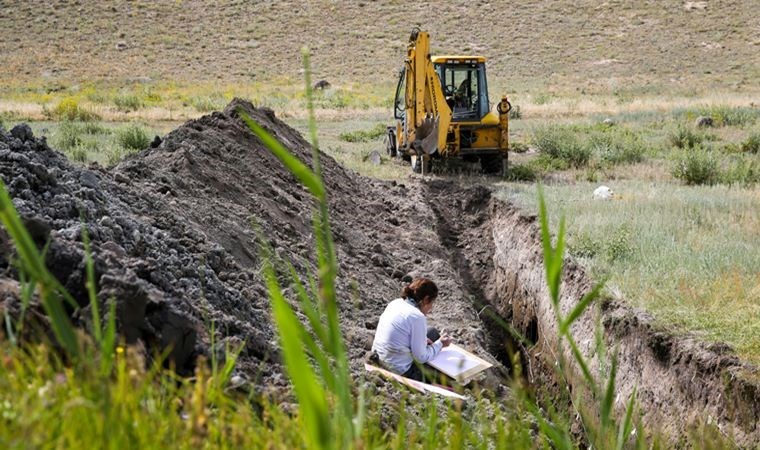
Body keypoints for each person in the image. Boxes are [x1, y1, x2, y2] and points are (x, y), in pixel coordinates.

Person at [371, 278, 452, 382]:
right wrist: (440, 344)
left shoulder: (396, 303)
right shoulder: (416, 316)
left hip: (379, 358)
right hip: (399, 370)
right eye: (431, 303)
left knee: (431, 332)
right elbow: (421, 357)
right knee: (442, 376)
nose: (430, 308)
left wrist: (424, 341)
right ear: (426, 299)